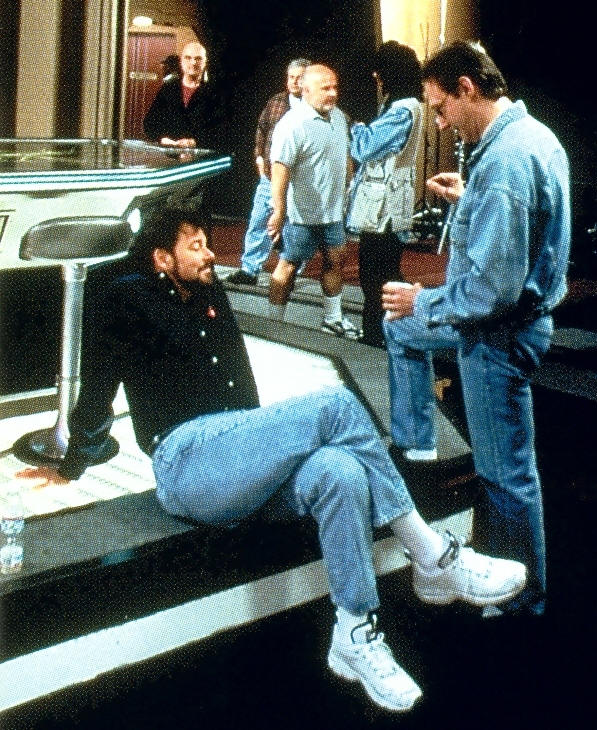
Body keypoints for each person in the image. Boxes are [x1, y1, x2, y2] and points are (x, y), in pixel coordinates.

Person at [17, 208, 526, 712]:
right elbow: (97, 395)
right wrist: (69, 466)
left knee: (340, 472)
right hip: (186, 462)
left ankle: (354, 632)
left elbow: (243, 390)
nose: (210, 253)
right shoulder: (126, 299)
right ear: (161, 259)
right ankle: (433, 555)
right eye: (195, 245)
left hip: (238, 457)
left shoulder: (211, 292)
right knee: (336, 406)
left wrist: (270, 453)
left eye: (207, 242)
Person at [382, 41, 571, 617]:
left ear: (467, 88)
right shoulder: (532, 138)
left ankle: (521, 602)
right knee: (401, 329)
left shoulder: (505, 164)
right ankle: (417, 449)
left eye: (441, 107)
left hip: (498, 336)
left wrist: (423, 299)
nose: (440, 122)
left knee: (506, 476)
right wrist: (470, 200)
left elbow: (490, 293)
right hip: (508, 324)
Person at [267, 64, 361, 339]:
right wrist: (279, 211)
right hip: (301, 216)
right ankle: (273, 325)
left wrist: (349, 184)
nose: (333, 93)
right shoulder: (291, 124)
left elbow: (344, 155)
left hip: (333, 213)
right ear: (306, 90)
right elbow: (280, 169)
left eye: (335, 87)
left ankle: (332, 319)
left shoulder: (339, 117)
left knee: (335, 261)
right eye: (325, 88)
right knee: (287, 267)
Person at [346, 41, 424, 347]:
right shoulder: (406, 106)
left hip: (385, 207)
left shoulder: (402, 110)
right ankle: (387, 332)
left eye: (379, 71)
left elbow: (364, 148)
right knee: (383, 272)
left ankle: (378, 335)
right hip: (390, 203)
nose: (376, 77)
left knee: (375, 275)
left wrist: (355, 126)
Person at [225, 58, 311, 287]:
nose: (294, 82)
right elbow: (261, 130)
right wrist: (259, 157)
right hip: (270, 177)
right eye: (291, 77)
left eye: (300, 78)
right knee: (259, 221)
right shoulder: (276, 102)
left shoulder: (315, 106)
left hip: (299, 180)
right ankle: (249, 270)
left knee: (294, 226)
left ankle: (291, 270)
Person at [143, 41, 220, 149]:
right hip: (170, 153)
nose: (193, 63)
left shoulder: (215, 92)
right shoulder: (168, 89)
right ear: (181, 61)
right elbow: (150, 123)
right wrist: (162, 138)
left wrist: (194, 142)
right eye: (188, 58)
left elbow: (221, 129)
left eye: (198, 58)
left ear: (205, 62)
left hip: (201, 154)